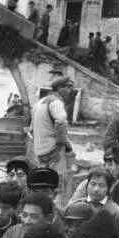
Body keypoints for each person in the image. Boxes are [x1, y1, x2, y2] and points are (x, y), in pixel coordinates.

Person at [29, 76, 75, 206]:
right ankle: (56, 209)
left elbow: (31, 129)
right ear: (59, 88)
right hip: (53, 150)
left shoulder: (39, 103)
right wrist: (61, 143)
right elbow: (61, 122)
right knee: (58, 182)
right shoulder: (56, 102)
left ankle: (43, 206)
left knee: (43, 182)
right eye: (68, 87)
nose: (70, 90)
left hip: (40, 150)